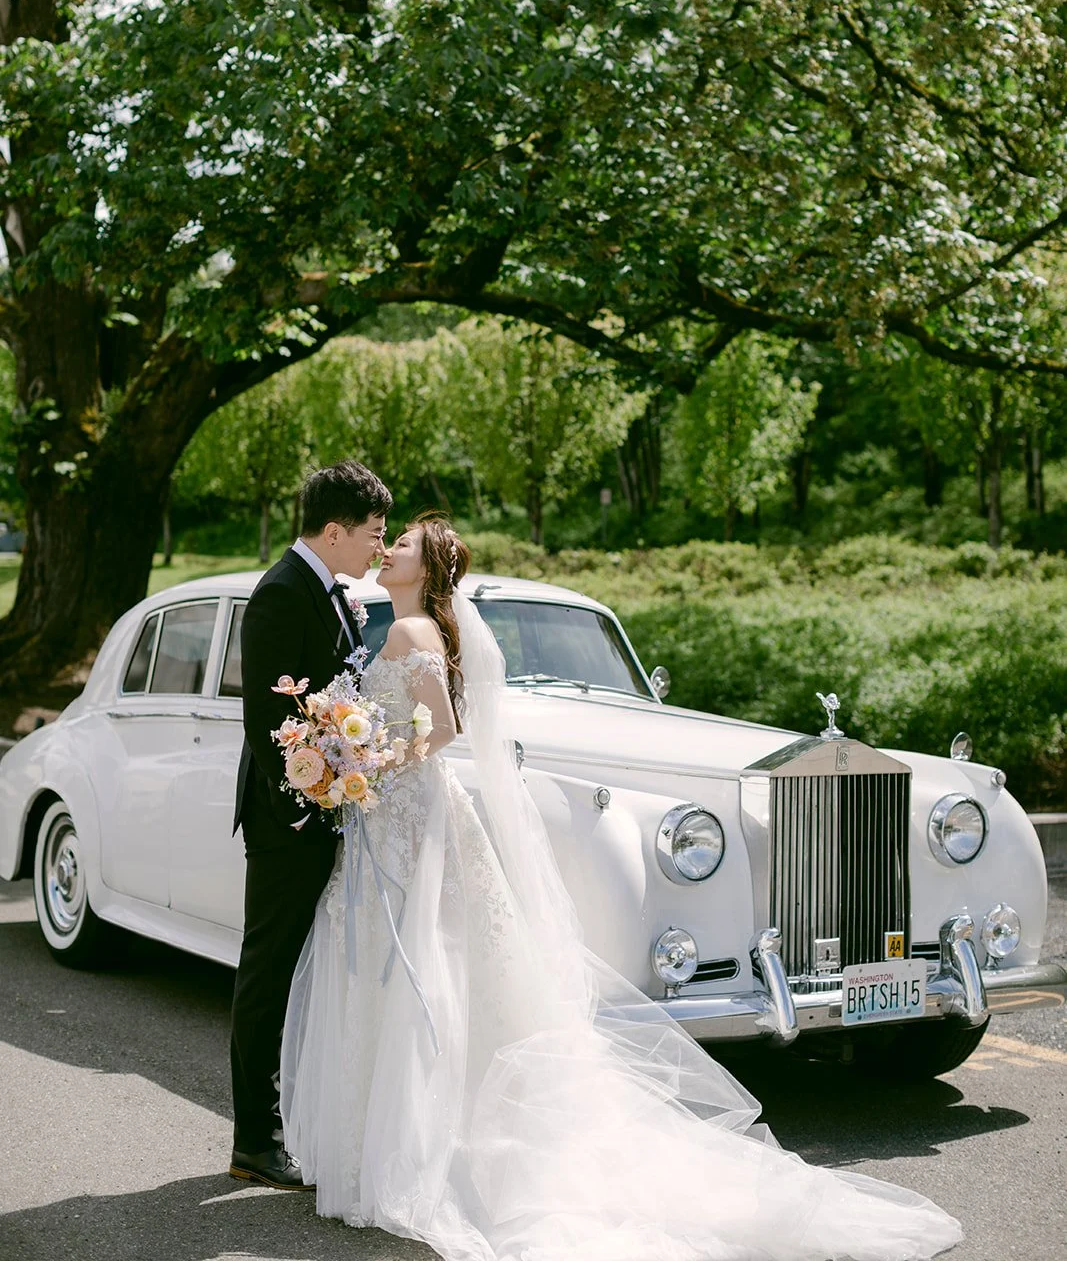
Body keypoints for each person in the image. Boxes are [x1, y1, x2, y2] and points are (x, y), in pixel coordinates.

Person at [281, 514, 963, 1259]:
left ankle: (403, 1150)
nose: (387, 551)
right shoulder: (405, 628)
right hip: (398, 818)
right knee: (419, 969)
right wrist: (350, 752)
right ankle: (403, 1141)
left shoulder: (413, 635)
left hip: (405, 811)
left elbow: (437, 730)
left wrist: (366, 761)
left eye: (401, 545)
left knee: (418, 970)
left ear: (429, 569)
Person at [229, 459, 391, 1190]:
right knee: (266, 971)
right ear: (333, 532)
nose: (377, 550)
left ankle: (284, 1126)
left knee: (294, 970)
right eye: (372, 535)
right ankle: (253, 1141)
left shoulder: (329, 590)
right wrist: (305, 807)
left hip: (325, 807)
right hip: (286, 817)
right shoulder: (279, 593)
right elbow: (268, 722)